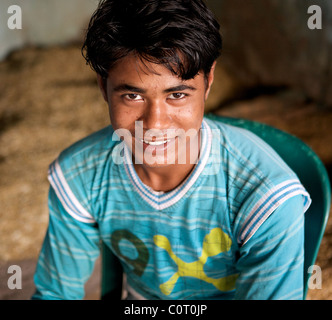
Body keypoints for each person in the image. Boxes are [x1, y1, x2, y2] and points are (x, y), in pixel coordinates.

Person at [32, 0, 311, 300]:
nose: (155, 123)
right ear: (103, 86)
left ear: (208, 81)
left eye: (177, 94)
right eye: (132, 95)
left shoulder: (266, 199)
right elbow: (54, 294)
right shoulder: (78, 177)